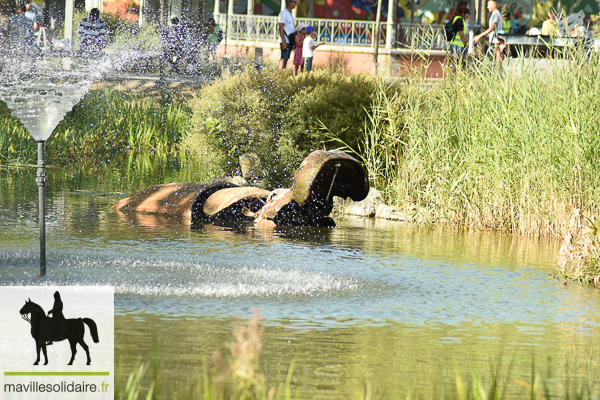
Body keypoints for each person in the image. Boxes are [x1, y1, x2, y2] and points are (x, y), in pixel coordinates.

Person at [448, 2, 469, 67]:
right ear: (463, 8)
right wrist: (466, 44)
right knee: (457, 64)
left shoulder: (461, 19)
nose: (469, 9)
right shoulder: (459, 19)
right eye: (468, 7)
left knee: (459, 64)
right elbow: (461, 34)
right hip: (457, 45)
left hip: (459, 44)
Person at [278, 0, 296, 71]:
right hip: (285, 40)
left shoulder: (290, 13)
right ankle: (280, 74)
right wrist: (284, 41)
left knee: (286, 58)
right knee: (284, 57)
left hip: (289, 40)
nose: (295, 4)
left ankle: (283, 73)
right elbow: (281, 27)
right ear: (289, 2)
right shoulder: (284, 13)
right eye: (294, 2)